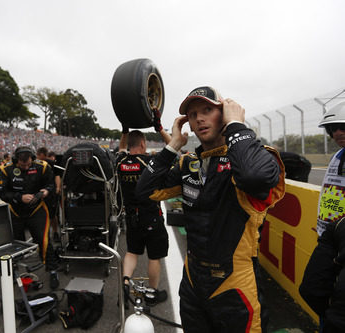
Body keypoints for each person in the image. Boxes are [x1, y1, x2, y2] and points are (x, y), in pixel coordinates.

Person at [135, 86, 285, 332]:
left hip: (235, 283)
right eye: (193, 115)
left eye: (207, 110)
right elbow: (144, 192)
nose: (199, 118)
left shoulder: (255, 158)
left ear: (224, 112)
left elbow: (253, 177)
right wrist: (172, 146)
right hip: (193, 281)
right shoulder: (188, 163)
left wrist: (236, 125)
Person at [116, 109, 171, 307]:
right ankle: (152, 293)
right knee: (154, 256)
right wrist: (159, 127)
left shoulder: (120, 161)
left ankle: (124, 283)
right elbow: (174, 147)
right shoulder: (149, 162)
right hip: (150, 215)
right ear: (142, 144)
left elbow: (122, 148)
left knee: (132, 252)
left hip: (131, 216)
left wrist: (124, 131)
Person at [299, 101, 345, 332]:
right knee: (311, 289)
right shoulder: (337, 157)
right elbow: (330, 194)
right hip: (330, 237)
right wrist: (322, 225)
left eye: (342, 127)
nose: (337, 133)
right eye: (333, 128)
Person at [0, 146, 58, 274]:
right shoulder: (6, 169)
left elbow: (51, 184)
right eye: (22, 165)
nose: (25, 167)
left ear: (33, 159)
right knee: (15, 244)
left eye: (28, 164)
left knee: (43, 240)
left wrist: (45, 191)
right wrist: (19, 197)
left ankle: (52, 269)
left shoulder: (42, 166)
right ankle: (14, 272)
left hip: (37, 209)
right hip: (15, 211)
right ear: (15, 160)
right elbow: (1, 192)